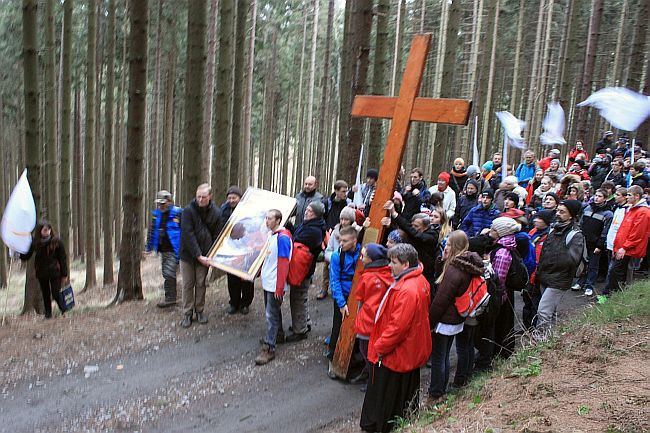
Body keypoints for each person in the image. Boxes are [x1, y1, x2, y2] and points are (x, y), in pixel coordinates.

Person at [360, 244, 431, 433]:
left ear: (406, 264)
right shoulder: (420, 280)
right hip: (409, 349)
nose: (389, 266)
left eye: (393, 262)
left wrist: (379, 347)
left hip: (397, 353)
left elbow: (397, 327)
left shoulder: (407, 290)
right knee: (404, 392)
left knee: (388, 393)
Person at [429, 230, 484, 398]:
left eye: (448, 244)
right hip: (457, 318)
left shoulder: (455, 270)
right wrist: (442, 260)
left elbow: (441, 300)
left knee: (440, 357)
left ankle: (437, 390)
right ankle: (441, 387)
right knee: (444, 354)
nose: (445, 246)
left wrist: (429, 322)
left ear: (454, 246)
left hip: (446, 319)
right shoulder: (465, 263)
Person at [535, 200, 585, 336]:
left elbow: (572, 260)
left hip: (559, 279)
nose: (558, 214)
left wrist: (555, 258)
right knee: (551, 311)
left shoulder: (575, 235)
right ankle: (553, 339)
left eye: (562, 212)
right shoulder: (553, 228)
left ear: (571, 215)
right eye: (558, 210)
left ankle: (540, 341)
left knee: (543, 311)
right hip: (545, 276)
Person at [179, 184, 222, 328]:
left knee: (201, 283)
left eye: (204, 197)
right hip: (188, 255)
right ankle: (187, 313)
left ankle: (200, 310)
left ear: (210, 196)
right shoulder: (188, 211)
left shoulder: (216, 212)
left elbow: (217, 235)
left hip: (205, 255)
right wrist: (198, 255)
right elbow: (187, 235)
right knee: (187, 284)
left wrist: (211, 255)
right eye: (198, 196)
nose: (201, 199)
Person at [255, 209, 293, 365]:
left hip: (274, 284)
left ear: (278, 220)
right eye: (266, 218)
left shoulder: (283, 238)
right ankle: (278, 335)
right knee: (273, 311)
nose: (267, 221)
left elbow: (284, 263)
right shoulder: (273, 235)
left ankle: (269, 348)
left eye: (270, 218)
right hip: (269, 281)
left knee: (270, 315)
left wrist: (279, 287)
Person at [353, 244, 393, 386]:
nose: (361, 258)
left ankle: (372, 380)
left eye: (363, 256)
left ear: (370, 260)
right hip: (381, 320)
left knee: (366, 352)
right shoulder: (388, 273)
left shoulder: (367, 277)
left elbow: (360, 297)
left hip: (368, 320)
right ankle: (369, 374)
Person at [286, 201, 326, 342]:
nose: (305, 212)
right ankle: (304, 323)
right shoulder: (309, 224)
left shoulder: (314, 230)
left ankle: (300, 330)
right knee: (301, 298)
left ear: (315, 214)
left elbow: (296, 239)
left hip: (303, 270)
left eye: (309, 210)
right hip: (303, 269)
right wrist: (288, 224)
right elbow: (296, 231)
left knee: (297, 298)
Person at [326, 226, 361, 377]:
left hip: (358, 296)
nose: (341, 244)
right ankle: (334, 357)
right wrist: (341, 303)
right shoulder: (336, 256)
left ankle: (352, 357)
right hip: (344, 296)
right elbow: (335, 281)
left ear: (354, 241)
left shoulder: (362, 253)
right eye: (340, 240)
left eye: (345, 241)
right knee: (338, 326)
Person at [606, 186, 650, 294]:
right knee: (615, 272)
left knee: (618, 274)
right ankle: (611, 295)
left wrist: (625, 247)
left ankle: (614, 296)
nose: (627, 197)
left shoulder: (643, 212)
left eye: (629, 195)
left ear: (637, 196)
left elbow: (637, 233)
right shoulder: (631, 209)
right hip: (621, 247)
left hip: (627, 249)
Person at [19, 221, 68, 319]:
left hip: (55, 272)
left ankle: (64, 310)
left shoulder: (57, 242)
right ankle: (48, 314)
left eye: (48, 229)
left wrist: (64, 274)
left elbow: (62, 258)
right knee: (45, 294)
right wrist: (19, 253)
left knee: (55, 293)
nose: (47, 231)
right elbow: (27, 255)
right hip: (42, 272)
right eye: (45, 229)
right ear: (40, 230)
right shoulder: (35, 243)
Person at [383, 201, 439, 287]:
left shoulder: (431, 236)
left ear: (426, 227)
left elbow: (413, 234)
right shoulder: (415, 234)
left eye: (416, 226)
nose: (413, 229)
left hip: (424, 275)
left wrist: (395, 214)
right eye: (412, 226)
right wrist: (389, 226)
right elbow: (404, 235)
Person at [219, 186, 255, 315]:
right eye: (229, 198)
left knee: (246, 277)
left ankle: (246, 303)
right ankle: (234, 303)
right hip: (231, 248)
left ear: (240, 198)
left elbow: (254, 226)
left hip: (247, 247)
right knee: (232, 277)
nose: (231, 200)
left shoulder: (249, 209)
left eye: (234, 197)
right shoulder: (223, 209)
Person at [145, 190, 183, 308]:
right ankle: (170, 297)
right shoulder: (156, 214)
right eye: (159, 203)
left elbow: (185, 229)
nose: (161, 205)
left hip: (174, 249)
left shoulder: (178, 213)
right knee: (166, 273)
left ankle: (171, 298)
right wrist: (149, 247)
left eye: (163, 203)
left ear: (169, 201)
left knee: (169, 273)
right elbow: (152, 231)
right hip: (163, 249)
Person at [319, 180, 353, 300]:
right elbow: (322, 219)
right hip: (330, 234)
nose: (345, 193)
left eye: (346, 191)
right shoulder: (327, 203)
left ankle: (336, 288)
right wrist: (326, 231)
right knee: (327, 263)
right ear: (336, 191)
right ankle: (324, 288)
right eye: (343, 191)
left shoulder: (348, 203)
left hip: (344, 234)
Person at [576, 189, 613, 296]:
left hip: (595, 243)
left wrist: (600, 245)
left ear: (605, 199)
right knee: (583, 263)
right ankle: (581, 282)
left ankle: (589, 285)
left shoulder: (608, 214)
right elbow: (581, 223)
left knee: (593, 265)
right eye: (596, 195)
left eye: (600, 196)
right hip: (584, 241)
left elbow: (605, 231)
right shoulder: (587, 208)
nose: (597, 198)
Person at [523, 210, 553, 329]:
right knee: (527, 301)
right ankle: (527, 327)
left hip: (538, 275)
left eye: (539, 219)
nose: (536, 220)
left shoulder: (548, 236)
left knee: (536, 302)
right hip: (528, 272)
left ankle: (535, 328)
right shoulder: (533, 231)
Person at [603, 187, 628, 295]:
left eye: (618, 195)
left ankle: (609, 293)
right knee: (610, 269)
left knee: (613, 270)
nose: (615, 197)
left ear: (624, 197)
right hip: (610, 242)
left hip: (618, 245)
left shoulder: (626, 210)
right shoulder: (616, 208)